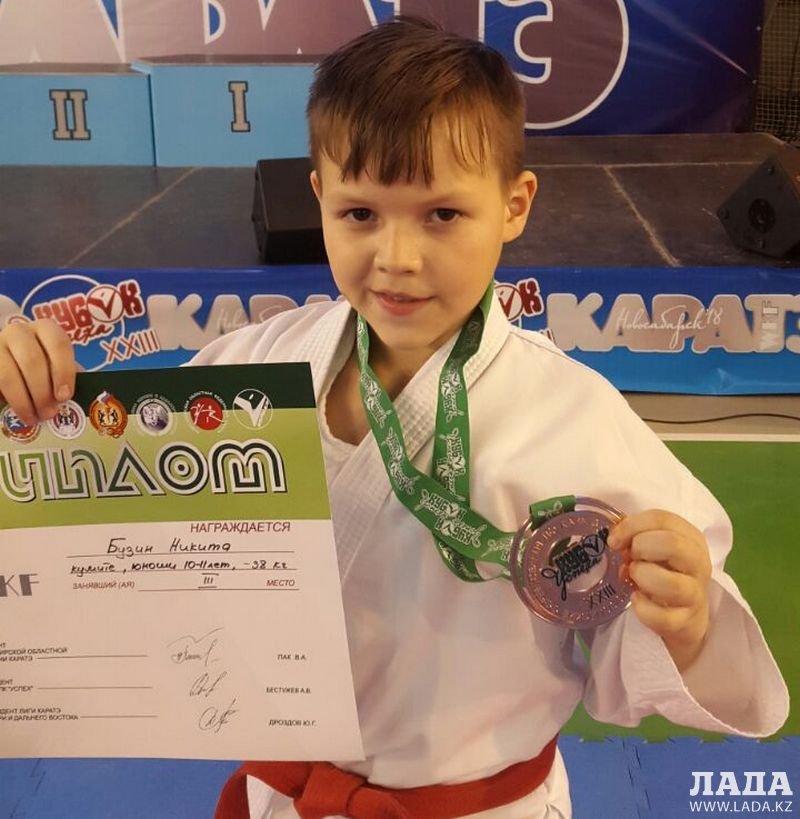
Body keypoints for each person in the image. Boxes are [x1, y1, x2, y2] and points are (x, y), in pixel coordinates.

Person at [0, 16, 788, 819]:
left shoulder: (573, 414)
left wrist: (688, 621)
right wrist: (32, 395)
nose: (398, 258)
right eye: (360, 214)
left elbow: (658, 628)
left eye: (442, 214)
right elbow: (107, 509)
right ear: (318, 197)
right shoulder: (254, 371)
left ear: (513, 205)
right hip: (289, 798)